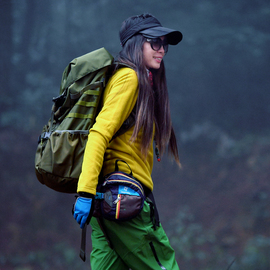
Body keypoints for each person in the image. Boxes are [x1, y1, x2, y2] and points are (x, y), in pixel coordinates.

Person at [73, 13, 183, 270]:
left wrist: (91, 195)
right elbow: (99, 133)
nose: (162, 50)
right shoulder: (129, 78)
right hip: (122, 201)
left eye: (164, 44)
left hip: (107, 205)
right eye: (155, 43)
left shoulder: (134, 79)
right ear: (136, 43)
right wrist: (85, 192)